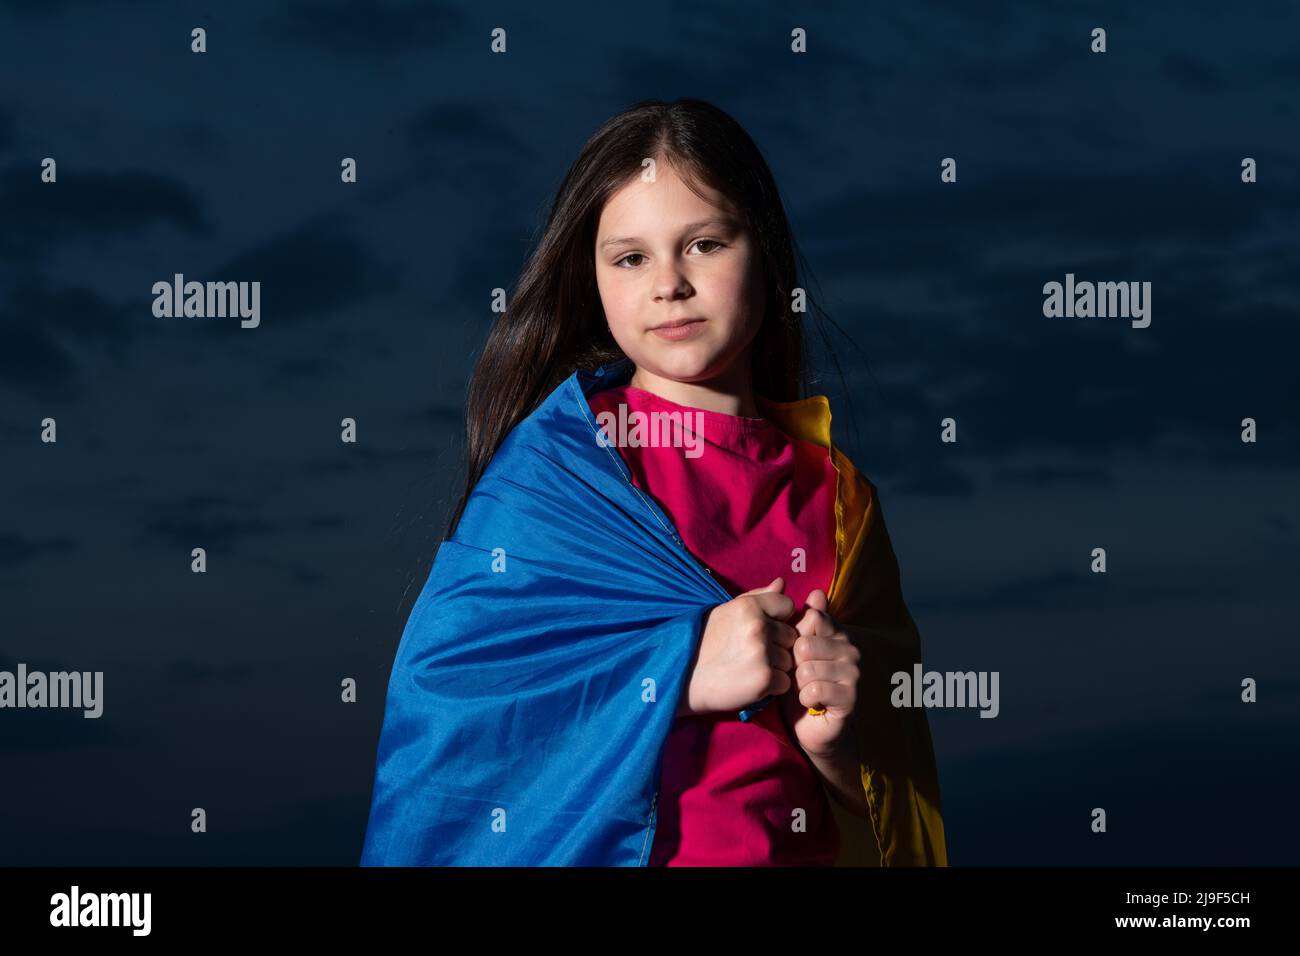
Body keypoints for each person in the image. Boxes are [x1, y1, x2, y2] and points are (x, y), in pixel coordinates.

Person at [360, 98, 947, 867]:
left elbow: (899, 809)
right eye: (630, 257)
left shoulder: (839, 500)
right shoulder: (554, 477)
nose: (668, 284)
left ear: (763, 252)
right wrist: (678, 668)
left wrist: (838, 744)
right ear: (594, 278)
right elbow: (452, 728)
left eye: (704, 243)